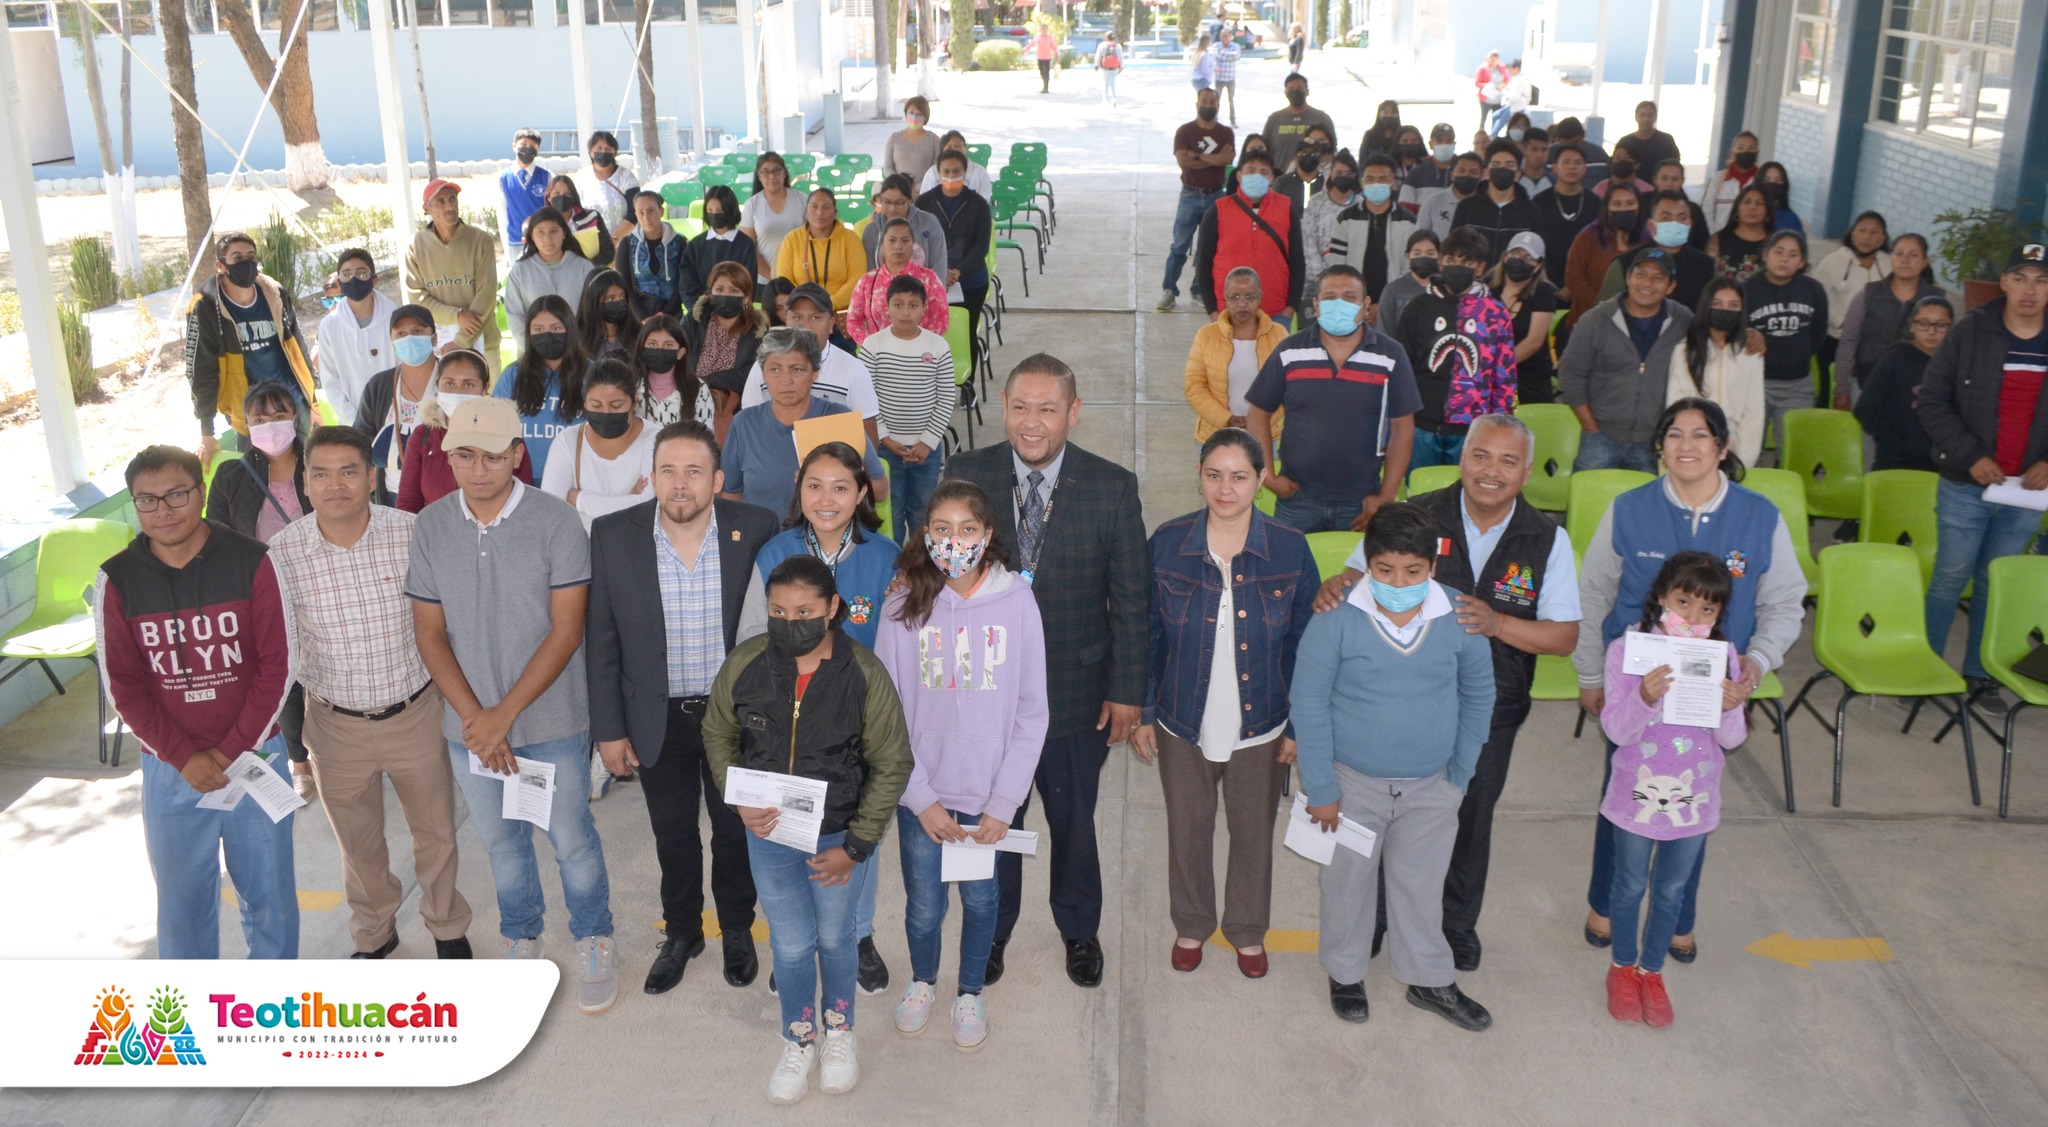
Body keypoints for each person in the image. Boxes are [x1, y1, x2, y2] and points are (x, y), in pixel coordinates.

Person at [1315, 414, 1581, 969]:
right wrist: (1335, 585)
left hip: (1492, 711)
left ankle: (1456, 924)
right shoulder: (1415, 516)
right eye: (1481, 456)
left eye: (1508, 462)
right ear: (1463, 457)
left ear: (1528, 472)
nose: (1491, 471)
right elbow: (1354, 580)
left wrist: (1497, 623)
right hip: (1402, 706)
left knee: (1467, 820)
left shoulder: (1548, 540)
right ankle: (1377, 921)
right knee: (1384, 823)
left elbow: (1562, 638)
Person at [1575, 397, 1806, 962]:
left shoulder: (1759, 515)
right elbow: (1594, 593)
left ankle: (1679, 915)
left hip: (1714, 687)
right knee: (1623, 790)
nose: (1686, 446)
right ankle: (1606, 900)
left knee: (1694, 796)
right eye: (1674, 434)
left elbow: (1784, 602)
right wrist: (1588, 672)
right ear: (1660, 446)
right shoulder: (1628, 509)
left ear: (1723, 449)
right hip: (1638, 687)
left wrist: (1755, 663)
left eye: (1701, 436)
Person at [407, 396, 619, 1007]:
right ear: (447, 458)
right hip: (468, 730)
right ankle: (521, 936)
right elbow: (429, 632)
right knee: (501, 843)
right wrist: (478, 720)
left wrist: (502, 715)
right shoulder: (432, 525)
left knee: (571, 838)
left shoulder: (556, 522)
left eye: (494, 456)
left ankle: (593, 935)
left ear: (518, 456)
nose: (479, 470)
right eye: (464, 456)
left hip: (550, 722)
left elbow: (566, 630)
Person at [947, 354, 1150, 989]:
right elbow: (940, 581)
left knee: (1073, 821)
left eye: (1048, 409)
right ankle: (993, 928)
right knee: (993, 821)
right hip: (986, 697)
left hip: (1075, 695)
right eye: (1021, 408)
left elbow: (1132, 600)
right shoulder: (966, 473)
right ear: (1003, 406)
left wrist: (1126, 693)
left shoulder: (1111, 486)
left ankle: (1079, 930)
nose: (1032, 424)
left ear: (1073, 411)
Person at [703, 554, 912, 1105]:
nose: (788, 621)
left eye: (803, 610)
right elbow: (717, 731)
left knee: (836, 939)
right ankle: (798, 1036)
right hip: (768, 833)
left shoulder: (864, 674)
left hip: (837, 838)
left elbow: (892, 763)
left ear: (832, 610)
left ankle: (840, 1029)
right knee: (792, 945)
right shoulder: (747, 662)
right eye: (777, 610)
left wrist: (858, 845)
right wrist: (738, 797)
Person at [585, 416, 775, 994]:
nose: (681, 484)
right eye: (668, 470)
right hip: (656, 715)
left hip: (733, 722)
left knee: (733, 830)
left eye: (694, 471)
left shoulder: (757, 528)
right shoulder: (615, 534)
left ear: (718, 479)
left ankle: (737, 929)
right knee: (672, 832)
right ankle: (684, 931)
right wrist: (609, 731)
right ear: (652, 477)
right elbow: (602, 639)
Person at [271, 425, 473, 959]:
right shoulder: (281, 554)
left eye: (349, 471)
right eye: (321, 473)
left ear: (372, 477)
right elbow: (278, 649)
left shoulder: (412, 532)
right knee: (358, 844)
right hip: (334, 726)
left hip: (415, 712)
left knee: (436, 833)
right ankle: (374, 933)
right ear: (305, 483)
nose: (335, 484)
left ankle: (447, 927)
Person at [1292, 502, 1496, 1030]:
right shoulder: (1335, 618)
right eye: (1384, 570)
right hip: (1350, 785)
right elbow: (1309, 704)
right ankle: (1345, 972)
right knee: (1347, 885)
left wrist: (1460, 775)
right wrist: (1320, 787)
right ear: (1369, 563)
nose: (1398, 582)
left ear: (1434, 566)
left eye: (1413, 572)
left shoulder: (1459, 617)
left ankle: (1428, 979)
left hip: (1432, 788)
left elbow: (1479, 696)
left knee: (1421, 886)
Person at [98, 445, 299, 959]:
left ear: (202, 493)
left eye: (176, 495)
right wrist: (183, 757)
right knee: (182, 904)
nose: (163, 511)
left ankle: (271, 1009)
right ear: (134, 506)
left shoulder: (254, 561)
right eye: (147, 501)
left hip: (256, 757)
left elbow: (278, 667)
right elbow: (123, 684)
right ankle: (190, 1013)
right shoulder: (117, 579)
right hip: (171, 769)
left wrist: (230, 751)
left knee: (271, 898)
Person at [1131, 429, 1315, 977]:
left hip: (1261, 721)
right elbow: (1147, 634)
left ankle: (1247, 930)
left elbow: (1308, 642)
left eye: (1239, 476)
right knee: (1188, 826)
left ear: (1261, 479)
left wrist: (1299, 725)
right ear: (1200, 475)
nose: (1225, 488)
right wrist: (1143, 712)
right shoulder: (1168, 542)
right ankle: (1191, 923)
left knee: (1252, 830)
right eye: (1214, 475)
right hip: (1181, 718)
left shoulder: (1289, 546)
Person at [873, 478, 1046, 1048]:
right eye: (941, 531)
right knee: (924, 905)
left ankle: (969, 991)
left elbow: (1031, 712)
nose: (954, 542)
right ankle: (923, 981)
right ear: (926, 535)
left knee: (981, 901)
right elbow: (886, 712)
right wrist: (919, 796)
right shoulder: (902, 603)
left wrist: (1004, 803)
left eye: (967, 530)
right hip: (924, 797)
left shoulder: (1017, 600)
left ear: (988, 535)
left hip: (986, 798)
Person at [757, 443, 904, 994]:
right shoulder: (773, 553)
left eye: (840, 487)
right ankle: (793, 942)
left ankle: (860, 934)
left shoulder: (887, 556)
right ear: (798, 488)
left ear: (862, 492)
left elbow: (895, 645)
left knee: (858, 831)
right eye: (814, 485)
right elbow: (756, 643)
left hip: (857, 722)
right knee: (787, 828)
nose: (826, 498)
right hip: (787, 719)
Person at [1598, 551, 1744, 1028]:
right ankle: (1622, 966)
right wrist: (1643, 697)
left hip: (1693, 799)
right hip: (1634, 797)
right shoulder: (1628, 652)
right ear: (1661, 597)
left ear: (1719, 615)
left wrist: (1728, 705)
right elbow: (1617, 731)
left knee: (1672, 890)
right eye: (1683, 602)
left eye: (1708, 610)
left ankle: (1652, 970)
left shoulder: (1724, 658)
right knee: (1629, 884)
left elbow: (1733, 738)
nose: (1693, 617)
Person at [1916, 244, 2048, 713]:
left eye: (2041, 280)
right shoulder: (1972, 332)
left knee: (1997, 583)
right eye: (2021, 278)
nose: (2030, 289)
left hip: (2025, 494)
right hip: (1966, 483)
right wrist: (1970, 456)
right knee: (1950, 578)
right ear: (2004, 284)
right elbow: (1931, 400)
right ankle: (1926, 669)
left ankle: (1980, 674)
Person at [1246, 265, 1421, 533]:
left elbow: (1402, 428)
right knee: (1288, 572)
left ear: (1365, 305)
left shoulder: (1391, 355)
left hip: (1361, 502)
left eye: (1349, 298)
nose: (1339, 304)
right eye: (1329, 298)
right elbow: (1258, 413)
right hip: (1296, 499)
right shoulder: (1290, 351)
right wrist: (1268, 476)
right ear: (1316, 306)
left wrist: (1386, 495)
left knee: (1353, 576)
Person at [204, 382, 314, 790]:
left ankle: (334, 754)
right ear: (245, 425)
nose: (270, 425)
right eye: (259, 419)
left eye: (279, 415)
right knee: (281, 679)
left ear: (296, 417)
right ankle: (300, 763)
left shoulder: (319, 462)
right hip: (264, 595)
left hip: (320, 586)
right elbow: (214, 535)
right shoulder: (232, 475)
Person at [723, 327, 886, 519]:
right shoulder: (744, 424)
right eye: (775, 369)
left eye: (797, 370)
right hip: (762, 542)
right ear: (763, 374)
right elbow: (730, 495)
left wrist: (836, 481)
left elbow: (881, 490)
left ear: (814, 373)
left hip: (828, 539)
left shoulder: (837, 419)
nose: (786, 381)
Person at [186, 231, 316, 465]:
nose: (246, 262)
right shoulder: (206, 306)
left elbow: (297, 344)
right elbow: (200, 369)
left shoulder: (274, 293)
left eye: (251, 256)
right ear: (220, 265)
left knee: (308, 467)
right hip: (251, 412)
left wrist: (312, 399)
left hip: (294, 401)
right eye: (237, 257)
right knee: (259, 477)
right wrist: (207, 430)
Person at [1395, 226, 1518, 468]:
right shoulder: (1417, 308)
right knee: (1419, 496)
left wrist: (1499, 425)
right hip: (1421, 426)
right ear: (1440, 261)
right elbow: (1400, 368)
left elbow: (1504, 377)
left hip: (1474, 430)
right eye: (1450, 259)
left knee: (1466, 497)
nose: (1457, 266)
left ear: (1480, 267)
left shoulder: (1495, 314)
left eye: (1467, 262)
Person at [1561, 248, 1693, 472]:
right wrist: (1591, 427)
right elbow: (1570, 375)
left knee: (1646, 505)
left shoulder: (1683, 320)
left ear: (1671, 287)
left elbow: (1718, 338)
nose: (1647, 283)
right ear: (1628, 278)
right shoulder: (1595, 320)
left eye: (1658, 278)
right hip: (1600, 436)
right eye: (1640, 274)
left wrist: (1749, 334)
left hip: (1654, 440)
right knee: (1591, 502)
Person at [859, 275, 956, 542]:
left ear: (925, 308)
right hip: (885, 449)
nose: (905, 312)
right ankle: (893, 569)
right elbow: (865, 399)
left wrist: (927, 442)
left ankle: (919, 570)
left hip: (926, 451)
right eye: (898, 304)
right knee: (889, 512)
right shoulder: (872, 346)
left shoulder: (937, 346)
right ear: (886, 306)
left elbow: (947, 396)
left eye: (913, 305)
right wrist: (886, 439)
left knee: (922, 514)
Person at [397, 349, 536, 513]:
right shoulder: (423, 436)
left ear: (485, 388)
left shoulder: (506, 431)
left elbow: (523, 501)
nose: (457, 392)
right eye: (449, 384)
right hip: (437, 533)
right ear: (437, 386)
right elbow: (407, 505)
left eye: (468, 384)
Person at [740, 284, 883, 431]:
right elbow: (749, 423)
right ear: (786, 320)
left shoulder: (853, 370)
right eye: (796, 317)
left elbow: (868, 437)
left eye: (816, 317)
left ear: (831, 323)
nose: (805, 326)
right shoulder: (764, 365)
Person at [539, 358, 658, 532]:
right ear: (585, 403)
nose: (606, 412)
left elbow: (649, 508)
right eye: (596, 405)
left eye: (616, 405)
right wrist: (628, 501)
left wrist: (578, 499)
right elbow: (550, 511)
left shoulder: (655, 440)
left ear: (634, 402)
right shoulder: (567, 441)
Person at [1192, 150, 1305, 323]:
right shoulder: (1217, 211)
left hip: (1276, 312)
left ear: (1272, 178)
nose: (1256, 176)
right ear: (1239, 176)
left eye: (1263, 172)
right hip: (1228, 312)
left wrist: (1291, 308)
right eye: (1250, 171)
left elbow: (1297, 261)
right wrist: (1212, 311)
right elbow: (1203, 264)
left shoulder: (1287, 209)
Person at [1668, 277, 1767, 466]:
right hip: (1692, 449)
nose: (1725, 310)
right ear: (1706, 306)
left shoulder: (1750, 353)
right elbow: (1675, 406)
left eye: (1733, 305)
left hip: (1735, 450)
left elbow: (1753, 412)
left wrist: (1744, 460)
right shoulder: (1684, 351)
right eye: (1717, 303)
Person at [1744, 231, 1829, 451]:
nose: (1784, 259)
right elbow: (1739, 332)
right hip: (1755, 382)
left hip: (1797, 385)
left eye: (1793, 254)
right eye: (1778, 252)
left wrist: (1799, 354)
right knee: (1750, 447)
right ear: (1765, 255)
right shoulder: (1747, 289)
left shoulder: (1813, 289)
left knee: (1794, 448)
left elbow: (1819, 332)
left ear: (1801, 262)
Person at [1183, 267, 1288, 442]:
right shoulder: (1206, 335)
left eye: (1250, 296)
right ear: (1225, 297)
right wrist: (1226, 419)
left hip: (1266, 435)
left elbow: (1288, 387)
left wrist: (1259, 420)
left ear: (1260, 297)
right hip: (1215, 435)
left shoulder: (1279, 335)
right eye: (1235, 297)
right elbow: (1194, 386)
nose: (1242, 303)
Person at [1838, 233, 1944, 404]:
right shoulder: (1868, 294)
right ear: (1891, 258)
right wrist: (1841, 388)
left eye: (1913, 255)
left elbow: (1945, 350)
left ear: (1925, 261)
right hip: (1868, 384)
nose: (1905, 260)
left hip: (1916, 391)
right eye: (1899, 253)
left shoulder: (1937, 301)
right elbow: (1849, 340)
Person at [407, 179, 501, 370]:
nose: (449, 206)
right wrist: (457, 315)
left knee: (491, 400)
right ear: (427, 209)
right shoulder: (415, 246)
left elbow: (487, 294)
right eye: (441, 201)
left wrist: (460, 341)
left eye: (452, 199)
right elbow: (417, 299)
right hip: (441, 347)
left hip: (484, 344)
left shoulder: (481, 240)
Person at [351, 304, 440, 500]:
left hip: (443, 495)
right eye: (401, 334)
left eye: (417, 331)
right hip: (393, 495)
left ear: (434, 338)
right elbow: (360, 438)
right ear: (392, 341)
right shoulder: (379, 385)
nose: (409, 338)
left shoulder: (451, 380)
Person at [1159, 87, 1236, 314]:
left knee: (1208, 248)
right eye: (1205, 101)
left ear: (1218, 105)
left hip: (1215, 195)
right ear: (1197, 104)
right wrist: (1213, 160)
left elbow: (1228, 158)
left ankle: (1199, 290)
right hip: (1190, 195)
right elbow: (1184, 163)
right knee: (1179, 246)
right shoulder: (1185, 131)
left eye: (1213, 101)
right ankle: (1169, 290)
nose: (1209, 105)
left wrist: (1197, 155)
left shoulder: (1225, 133)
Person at [1854, 294, 1951, 473]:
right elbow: (1865, 409)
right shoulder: (1895, 359)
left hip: (1941, 464)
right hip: (1896, 462)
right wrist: (1897, 443)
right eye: (1923, 323)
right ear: (1912, 326)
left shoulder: (1955, 364)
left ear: (1951, 327)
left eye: (1941, 325)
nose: (1931, 332)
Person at [492, 293, 589, 470]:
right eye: (538, 329)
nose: (547, 335)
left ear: (570, 328)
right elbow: (495, 429)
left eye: (556, 328)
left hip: (575, 476)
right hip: (523, 477)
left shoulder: (591, 374)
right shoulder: (513, 375)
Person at [1814, 211, 1893, 406]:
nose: (1867, 237)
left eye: (1874, 232)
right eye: (1862, 230)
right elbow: (1819, 298)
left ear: (1883, 238)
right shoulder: (1834, 261)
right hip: (1835, 339)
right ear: (1852, 233)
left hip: (1874, 344)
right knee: (1830, 394)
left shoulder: (1890, 263)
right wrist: (1842, 321)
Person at [917, 150, 994, 347]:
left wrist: (957, 271)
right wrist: (939, 273)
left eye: (956, 171)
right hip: (931, 281)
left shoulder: (978, 205)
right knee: (928, 336)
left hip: (971, 280)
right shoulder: (924, 202)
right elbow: (917, 243)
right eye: (947, 171)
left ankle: (966, 378)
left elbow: (981, 246)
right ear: (938, 172)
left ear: (965, 172)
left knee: (966, 335)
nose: (951, 176)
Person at [315, 248, 396, 428]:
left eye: (361, 274)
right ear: (339, 282)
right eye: (346, 274)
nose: (353, 279)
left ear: (374, 279)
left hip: (394, 421)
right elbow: (331, 383)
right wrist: (356, 422)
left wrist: (393, 418)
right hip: (351, 425)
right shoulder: (329, 326)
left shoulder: (395, 319)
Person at [1600, 190, 1718, 312]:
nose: (1674, 223)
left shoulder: (1706, 265)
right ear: (1651, 225)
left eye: (1682, 218)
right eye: (1666, 217)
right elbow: (1604, 314)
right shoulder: (1625, 263)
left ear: (1689, 225)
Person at [686, 261, 769, 434]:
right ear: (710, 293)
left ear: (746, 297)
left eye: (734, 291)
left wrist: (709, 381)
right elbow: (680, 354)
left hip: (732, 409)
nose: (726, 295)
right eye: (719, 290)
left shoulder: (757, 331)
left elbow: (752, 373)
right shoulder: (694, 319)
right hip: (688, 399)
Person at [1328, 154, 1417, 307]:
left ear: (1394, 183)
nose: (1376, 183)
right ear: (1362, 183)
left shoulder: (1408, 221)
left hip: (1394, 304)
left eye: (1383, 179)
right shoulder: (1346, 218)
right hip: (1353, 304)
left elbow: (1410, 267)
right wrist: (1355, 301)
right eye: (1370, 178)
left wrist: (1385, 304)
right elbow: (1337, 266)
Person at [504, 207, 598, 347]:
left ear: (564, 233)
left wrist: (578, 348)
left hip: (578, 352)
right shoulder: (520, 271)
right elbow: (515, 316)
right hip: (534, 356)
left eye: (553, 231)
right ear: (532, 236)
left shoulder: (584, 267)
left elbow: (593, 313)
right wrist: (533, 351)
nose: (547, 239)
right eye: (540, 232)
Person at [847, 218, 948, 344]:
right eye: (892, 240)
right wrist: (870, 345)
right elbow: (853, 320)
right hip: (878, 354)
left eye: (905, 240)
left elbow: (941, 318)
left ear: (913, 245)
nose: (898, 246)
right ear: (882, 246)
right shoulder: (867, 281)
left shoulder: (929, 278)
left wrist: (918, 343)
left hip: (919, 353)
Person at [1563, 182, 1644, 334]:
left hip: (1637, 321)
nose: (1624, 209)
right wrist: (1603, 305)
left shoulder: (1647, 238)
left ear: (1639, 207)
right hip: (1591, 320)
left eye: (1630, 203)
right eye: (1617, 204)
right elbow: (1574, 278)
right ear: (1607, 208)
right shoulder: (1589, 236)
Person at [1489, 231, 1559, 403]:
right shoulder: (1486, 287)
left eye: (1529, 258)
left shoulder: (1544, 292)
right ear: (1505, 257)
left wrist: (1499, 366)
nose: (1520, 261)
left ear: (1538, 266)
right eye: (1516, 254)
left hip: (1529, 379)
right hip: (1486, 378)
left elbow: (1534, 341)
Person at [775, 190, 867, 313]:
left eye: (826, 207)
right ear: (806, 211)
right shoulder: (792, 239)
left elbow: (857, 279)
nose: (820, 212)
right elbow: (785, 280)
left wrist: (828, 304)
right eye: (814, 207)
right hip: (800, 310)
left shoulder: (851, 239)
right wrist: (805, 305)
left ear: (834, 212)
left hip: (840, 312)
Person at [1452, 139, 1543, 262]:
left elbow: (1537, 254)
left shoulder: (1531, 211)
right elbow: (1453, 249)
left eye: (1509, 165)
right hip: (1473, 279)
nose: (1502, 169)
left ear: (1518, 174)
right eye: (1496, 165)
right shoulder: (1466, 207)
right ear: (1486, 172)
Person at [680, 184, 758, 313]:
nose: (715, 214)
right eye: (710, 210)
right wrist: (700, 312)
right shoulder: (695, 245)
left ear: (730, 210)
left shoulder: (745, 245)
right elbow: (686, 285)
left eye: (720, 210)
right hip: (701, 316)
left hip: (736, 316)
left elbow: (749, 286)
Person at [1532, 144, 1596, 293]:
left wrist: (1577, 284)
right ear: (1554, 168)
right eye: (1566, 162)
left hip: (1585, 286)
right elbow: (1536, 245)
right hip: (1545, 283)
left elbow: (1596, 248)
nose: (1572, 167)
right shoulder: (1539, 202)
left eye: (1577, 163)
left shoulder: (1596, 204)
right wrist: (1552, 284)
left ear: (1585, 169)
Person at [632, 313, 714, 428]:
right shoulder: (629, 385)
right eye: (652, 344)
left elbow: (706, 437)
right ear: (642, 348)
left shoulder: (697, 388)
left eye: (668, 345)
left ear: (680, 352)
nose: (659, 350)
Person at [615, 189, 686, 321]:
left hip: (673, 317)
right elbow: (624, 286)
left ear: (661, 211)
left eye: (651, 211)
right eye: (641, 213)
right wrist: (642, 318)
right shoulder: (626, 244)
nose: (646, 218)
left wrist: (663, 315)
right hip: (639, 319)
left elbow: (683, 284)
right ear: (636, 215)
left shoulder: (679, 242)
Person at [861, 174, 949, 277]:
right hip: (882, 290)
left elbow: (939, 266)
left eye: (899, 203)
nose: (892, 208)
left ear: (910, 200)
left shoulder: (929, 223)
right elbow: (870, 273)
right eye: (887, 202)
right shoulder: (872, 230)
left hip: (923, 289)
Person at [741, 152, 804, 282]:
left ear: (784, 173)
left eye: (777, 170)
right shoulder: (751, 205)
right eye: (765, 172)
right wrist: (773, 276)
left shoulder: (802, 199)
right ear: (759, 176)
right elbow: (748, 249)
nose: (772, 176)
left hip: (800, 277)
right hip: (764, 280)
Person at [1261, 73, 1337, 177]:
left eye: (1299, 88)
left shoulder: (1322, 118)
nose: (1295, 91)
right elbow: (1265, 151)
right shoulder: (1274, 119)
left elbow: (1332, 150)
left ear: (1307, 91)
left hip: (1316, 177)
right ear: (1285, 92)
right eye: (1291, 88)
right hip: (1279, 179)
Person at [575, 130, 640, 242]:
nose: (603, 152)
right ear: (590, 152)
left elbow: (635, 213)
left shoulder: (627, 177)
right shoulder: (581, 178)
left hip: (624, 244)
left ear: (614, 153)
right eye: (599, 148)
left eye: (608, 149)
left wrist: (613, 239)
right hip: (591, 245)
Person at [1302, 147, 1358, 270]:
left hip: (1354, 274)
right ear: (1331, 174)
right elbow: (1308, 239)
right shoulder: (1316, 201)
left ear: (1354, 176)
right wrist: (1321, 273)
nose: (1343, 176)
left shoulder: (1361, 204)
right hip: (1318, 275)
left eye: (1348, 173)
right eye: (1339, 173)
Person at [1707, 184, 1775, 285]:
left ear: (1768, 212)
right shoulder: (1718, 239)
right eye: (1746, 202)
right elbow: (1708, 277)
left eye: (1760, 203)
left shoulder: (1775, 244)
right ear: (1737, 210)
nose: (1752, 207)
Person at [1378, 230, 1441, 337]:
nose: (1423, 257)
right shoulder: (1393, 290)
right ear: (1408, 256)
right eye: (1417, 253)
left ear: (1439, 256)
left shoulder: (1447, 287)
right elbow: (1384, 332)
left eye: (1430, 253)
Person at [545, 174, 617, 266]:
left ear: (574, 197)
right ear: (549, 197)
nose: (562, 197)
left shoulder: (592, 217)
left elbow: (608, 252)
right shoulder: (541, 224)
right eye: (556, 193)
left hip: (591, 274)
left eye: (567, 194)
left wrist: (585, 267)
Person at [499, 128, 551, 250]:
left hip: (541, 243)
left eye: (532, 145)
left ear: (538, 149)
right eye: (523, 144)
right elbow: (502, 215)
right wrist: (506, 248)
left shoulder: (548, 177)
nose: (527, 148)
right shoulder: (503, 178)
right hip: (515, 243)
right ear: (513, 146)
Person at [1414, 152, 1484, 240]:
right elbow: (1419, 237)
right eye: (1461, 171)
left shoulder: (1486, 204)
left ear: (1481, 176)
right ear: (1452, 175)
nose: (1466, 175)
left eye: (1473, 172)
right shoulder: (1432, 202)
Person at [578, 268, 642, 359]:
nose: (618, 302)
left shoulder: (638, 333)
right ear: (593, 300)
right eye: (610, 298)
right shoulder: (577, 338)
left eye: (622, 296)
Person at [915, 130, 995, 202]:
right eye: (949, 147)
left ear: (965, 147)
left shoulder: (980, 172)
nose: (954, 149)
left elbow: (984, 200)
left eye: (958, 146)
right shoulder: (932, 172)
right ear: (943, 150)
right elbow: (924, 201)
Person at [1648, 160, 1709, 251]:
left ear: (1682, 181)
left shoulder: (1694, 210)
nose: (1669, 184)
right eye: (1664, 179)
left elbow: (1702, 242)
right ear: (1655, 180)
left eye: (1675, 179)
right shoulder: (1644, 205)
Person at [1272, 126, 1332, 217]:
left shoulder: (1326, 183)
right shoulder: (1282, 182)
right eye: (1303, 153)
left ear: (1319, 157)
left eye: (1313, 153)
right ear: (1296, 157)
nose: (1308, 156)